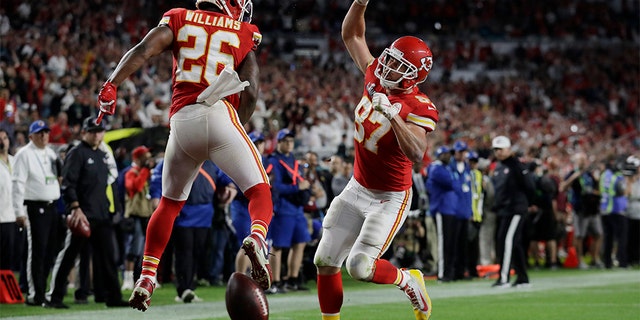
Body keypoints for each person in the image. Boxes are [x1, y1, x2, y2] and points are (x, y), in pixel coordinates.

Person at [95, 0, 274, 311]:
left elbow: (144, 49)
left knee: (168, 204)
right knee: (260, 190)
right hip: (219, 114)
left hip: (181, 122)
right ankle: (257, 239)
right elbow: (253, 90)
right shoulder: (243, 30)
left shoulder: (179, 18)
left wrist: (112, 85)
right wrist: (235, 131)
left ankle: (147, 276)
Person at [313, 1, 438, 319]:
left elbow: (416, 155)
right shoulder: (376, 78)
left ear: (414, 76)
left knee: (359, 266)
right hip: (357, 186)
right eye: (390, 60)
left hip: (389, 197)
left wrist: (393, 117)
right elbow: (351, 36)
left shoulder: (419, 106)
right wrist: (360, 3)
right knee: (325, 260)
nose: (387, 68)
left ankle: (409, 282)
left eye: (398, 66)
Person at [47, 116, 129, 308]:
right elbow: (68, 184)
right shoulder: (76, 153)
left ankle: (113, 297)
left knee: (109, 258)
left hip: (101, 215)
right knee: (69, 255)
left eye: (99, 131)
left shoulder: (102, 155)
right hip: (82, 215)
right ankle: (55, 297)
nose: (96, 134)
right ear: (84, 132)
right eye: (92, 131)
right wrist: (75, 208)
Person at [12, 120, 62, 307]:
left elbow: (57, 177)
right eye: (40, 133)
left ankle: (43, 291)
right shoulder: (24, 154)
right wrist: (18, 211)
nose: (44, 136)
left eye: (46, 132)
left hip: (51, 206)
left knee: (49, 251)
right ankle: (35, 294)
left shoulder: (50, 153)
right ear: (31, 136)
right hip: (34, 206)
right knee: (37, 251)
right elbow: (17, 183)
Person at [267, 129, 312, 294]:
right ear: (278, 143)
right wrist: (296, 188)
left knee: (300, 243)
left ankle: (292, 279)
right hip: (283, 208)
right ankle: (275, 281)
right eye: (285, 141)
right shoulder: (273, 161)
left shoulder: (294, 160)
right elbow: (275, 187)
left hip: (297, 209)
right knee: (278, 246)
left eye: (291, 141)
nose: (289, 144)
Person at [490, 135, 536, 288]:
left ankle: (504, 278)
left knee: (506, 241)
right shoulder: (499, 167)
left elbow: (529, 186)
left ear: (509, 149)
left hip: (515, 209)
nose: (499, 152)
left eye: (501, 149)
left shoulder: (516, 165)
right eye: (496, 150)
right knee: (513, 243)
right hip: (505, 210)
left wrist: (526, 203)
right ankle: (523, 277)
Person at [560, 152, 603, 269]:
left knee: (598, 234)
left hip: (592, 209)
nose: (583, 162)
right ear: (576, 161)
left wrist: (596, 184)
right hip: (580, 209)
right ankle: (580, 260)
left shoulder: (590, 174)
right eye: (581, 160)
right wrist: (574, 177)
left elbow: (598, 190)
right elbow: (562, 187)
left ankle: (595, 258)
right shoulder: (572, 173)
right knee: (579, 235)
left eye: (584, 159)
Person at [121, 146, 154, 291]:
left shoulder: (147, 173)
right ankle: (127, 279)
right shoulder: (130, 173)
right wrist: (145, 171)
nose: (148, 158)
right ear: (137, 158)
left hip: (146, 214)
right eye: (145, 156)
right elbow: (136, 187)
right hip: (134, 215)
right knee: (133, 248)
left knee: (143, 250)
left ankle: (142, 278)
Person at [426, 146, 458, 283]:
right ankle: (442, 273)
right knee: (443, 241)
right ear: (440, 155)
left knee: (449, 242)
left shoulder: (445, 168)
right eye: (446, 154)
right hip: (440, 208)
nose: (449, 157)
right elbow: (451, 183)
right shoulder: (437, 168)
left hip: (449, 209)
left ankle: (449, 272)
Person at [0, 129, 21, 270]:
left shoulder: (15, 162)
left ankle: (6, 289)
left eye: (5, 138)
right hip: (1, 217)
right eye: (0, 139)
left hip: (14, 217)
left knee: (11, 259)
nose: (2, 142)